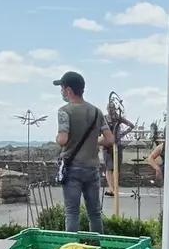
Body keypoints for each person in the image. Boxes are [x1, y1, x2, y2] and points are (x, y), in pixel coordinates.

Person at [54, 71, 109, 232]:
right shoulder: (96, 112)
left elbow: (63, 139)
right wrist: (93, 141)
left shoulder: (64, 111)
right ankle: (97, 248)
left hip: (73, 168)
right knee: (95, 213)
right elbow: (109, 138)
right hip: (92, 167)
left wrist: (58, 138)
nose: (62, 92)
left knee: (72, 213)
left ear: (69, 91)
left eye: (62, 88)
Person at [99, 95, 133, 202]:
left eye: (112, 108)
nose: (111, 110)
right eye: (109, 108)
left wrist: (121, 134)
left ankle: (115, 188)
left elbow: (131, 125)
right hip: (107, 146)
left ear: (115, 108)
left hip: (117, 144)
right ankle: (111, 188)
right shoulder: (104, 119)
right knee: (108, 168)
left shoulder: (119, 118)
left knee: (116, 167)